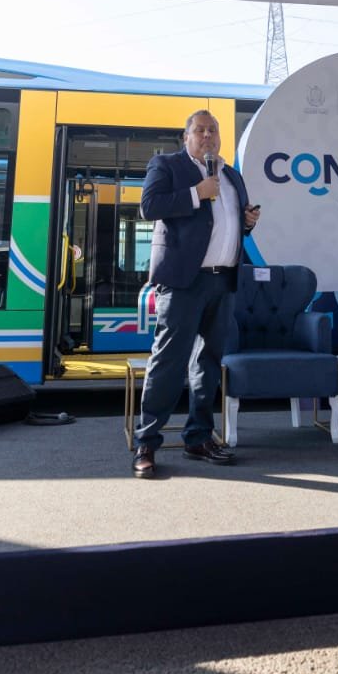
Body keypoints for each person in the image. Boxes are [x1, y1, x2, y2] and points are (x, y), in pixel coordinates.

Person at [131, 110, 261, 478]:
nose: (207, 135)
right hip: (183, 282)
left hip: (223, 281)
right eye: (200, 130)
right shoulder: (167, 165)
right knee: (168, 362)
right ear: (186, 137)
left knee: (208, 364)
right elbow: (149, 206)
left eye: (212, 130)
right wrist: (196, 193)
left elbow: (230, 224)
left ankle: (199, 437)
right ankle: (146, 442)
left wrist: (247, 222)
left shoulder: (231, 175)